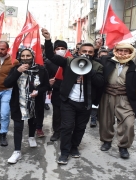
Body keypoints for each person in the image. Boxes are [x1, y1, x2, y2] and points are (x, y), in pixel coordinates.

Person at [42, 28, 104, 165]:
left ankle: (74, 147)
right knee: (67, 126)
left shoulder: (97, 66)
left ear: (94, 54)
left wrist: (88, 70)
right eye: (84, 52)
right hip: (68, 101)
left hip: (85, 103)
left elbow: (100, 83)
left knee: (80, 128)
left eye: (90, 52)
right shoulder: (69, 61)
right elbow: (51, 57)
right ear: (78, 52)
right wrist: (47, 40)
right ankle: (64, 152)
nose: (87, 54)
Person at [97, 43, 136, 159]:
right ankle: (107, 141)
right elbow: (95, 63)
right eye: (120, 50)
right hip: (107, 95)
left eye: (126, 51)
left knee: (129, 123)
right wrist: (97, 47)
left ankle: (123, 146)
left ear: (130, 53)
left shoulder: (135, 67)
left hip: (125, 98)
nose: (123, 53)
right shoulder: (106, 61)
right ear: (116, 51)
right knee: (105, 121)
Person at [4, 48, 50, 164]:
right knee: (18, 127)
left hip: (35, 103)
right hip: (18, 103)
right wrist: (18, 71)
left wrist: (38, 92)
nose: (25, 58)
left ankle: (31, 136)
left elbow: (46, 86)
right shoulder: (15, 69)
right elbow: (7, 83)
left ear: (32, 56)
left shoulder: (41, 69)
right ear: (19, 57)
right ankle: (17, 151)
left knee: (33, 121)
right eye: (23, 56)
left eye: (28, 55)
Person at [45, 40, 69, 141]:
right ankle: (56, 131)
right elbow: (47, 76)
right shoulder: (49, 62)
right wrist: (49, 86)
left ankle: (67, 132)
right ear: (54, 51)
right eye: (58, 49)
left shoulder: (70, 60)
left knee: (68, 114)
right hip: (57, 91)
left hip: (70, 91)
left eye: (62, 49)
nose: (60, 50)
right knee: (57, 113)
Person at [90, 48, 109, 128]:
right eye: (101, 56)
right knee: (95, 104)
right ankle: (93, 119)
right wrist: (96, 47)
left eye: (105, 57)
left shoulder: (110, 64)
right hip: (97, 86)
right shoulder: (96, 63)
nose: (103, 59)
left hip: (106, 88)